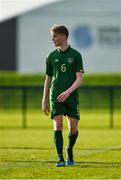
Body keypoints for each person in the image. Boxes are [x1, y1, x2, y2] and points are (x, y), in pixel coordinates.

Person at [42, 25, 84, 167]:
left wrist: (68, 92)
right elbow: (48, 79)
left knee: (73, 129)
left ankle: (69, 149)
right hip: (55, 96)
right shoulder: (51, 57)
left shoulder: (76, 55)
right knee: (58, 125)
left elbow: (79, 79)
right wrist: (44, 100)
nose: (52, 39)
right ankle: (60, 158)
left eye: (54, 36)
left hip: (71, 97)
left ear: (63, 36)